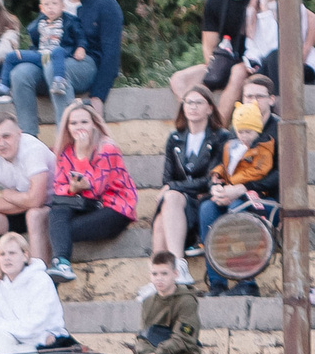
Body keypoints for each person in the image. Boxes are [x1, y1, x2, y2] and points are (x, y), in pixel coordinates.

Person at [9, 0, 124, 137]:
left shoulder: (106, 5)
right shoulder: (55, 1)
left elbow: (111, 54)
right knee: (20, 73)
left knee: (54, 69)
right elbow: (40, 40)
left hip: (84, 64)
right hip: (50, 60)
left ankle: (65, 140)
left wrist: (98, 96)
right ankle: (29, 140)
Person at [44, 100, 135, 284]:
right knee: (57, 210)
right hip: (86, 204)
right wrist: (73, 188)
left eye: (84, 122)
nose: (79, 127)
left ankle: (58, 266)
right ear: (67, 127)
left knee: (60, 231)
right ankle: (62, 264)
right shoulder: (65, 152)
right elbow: (60, 187)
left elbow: (97, 188)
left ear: (94, 123)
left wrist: (82, 154)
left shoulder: (107, 148)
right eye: (74, 123)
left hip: (115, 209)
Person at [0, 112, 54, 306]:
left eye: (6, 136)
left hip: (51, 208)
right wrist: (23, 200)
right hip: (22, 207)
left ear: (19, 134)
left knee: (34, 215)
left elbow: (38, 200)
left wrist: (10, 195)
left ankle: (39, 290)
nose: (1, 143)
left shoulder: (32, 149)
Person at [199, 97, 278, 298]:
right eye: (240, 131)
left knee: (237, 209)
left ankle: (247, 280)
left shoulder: (266, 145)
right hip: (230, 193)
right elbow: (221, 166)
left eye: (248, 132)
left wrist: (237, 187)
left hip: (258, 197)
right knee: (207, 209)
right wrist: (217, 183)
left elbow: (262, 173)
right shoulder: (230, 145)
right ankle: (217, 281)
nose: (244, 136)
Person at [169, 0, 256, 120]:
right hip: (224, 58)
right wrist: (215, 69)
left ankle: (217, 130)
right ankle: (190, 124)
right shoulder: (215, 2)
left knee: (237, 74)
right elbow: (208, 46)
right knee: (178, 79)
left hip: (250, 64)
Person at [152, 86, 222, 278]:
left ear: (209, 108)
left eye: (198, 102)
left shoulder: (220, 137)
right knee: (161, 217)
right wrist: (173, 188)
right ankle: (163, 275)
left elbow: (210, 179)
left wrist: (174, 187)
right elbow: (167, 179)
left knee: (170, 197)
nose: (193, 107)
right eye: (188, 102)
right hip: (179, 204)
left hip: (203, 201)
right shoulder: (175, 138)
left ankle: (177, 268)